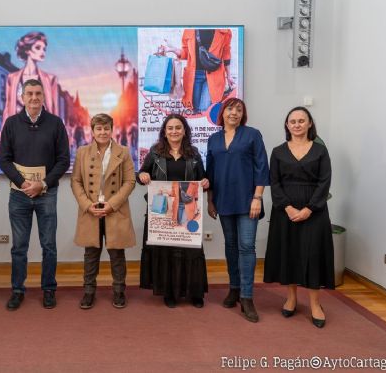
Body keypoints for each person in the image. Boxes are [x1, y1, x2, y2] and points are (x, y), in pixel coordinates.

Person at [0, 79, 70, 310]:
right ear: (22, 96)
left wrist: (44, 184)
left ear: (44, 96)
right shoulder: (11, 123)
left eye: (38, 93)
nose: (34, 97)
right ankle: (17, 290)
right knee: (19, 246)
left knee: (48, 244)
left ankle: (49, 289)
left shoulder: (55, 123)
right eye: (29, 93)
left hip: (47, 194)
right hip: (18, 195)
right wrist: (22, 182)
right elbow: (4, 160)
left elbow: (63, 161)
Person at [263, 107, 334, 328]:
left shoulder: (321, 151)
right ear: (287, 125)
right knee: (289, 253)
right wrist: (288, 208)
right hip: (285, 212)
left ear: (310, 124)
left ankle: (315, 304)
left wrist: (309, 209)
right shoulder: (277, 151)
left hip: (315, 213)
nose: (297, 124)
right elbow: (274, 183)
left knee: (313, 255)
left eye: (301, 121)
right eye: (292, 121)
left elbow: (325, 182)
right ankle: (291, 298)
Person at [206, 98, 269, 322]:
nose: (234, 113)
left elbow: (262, 167)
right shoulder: (213, 139)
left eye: (239, 109)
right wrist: (210, 201)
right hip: (223, 201)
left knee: (246, 246)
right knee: (231, 245)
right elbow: (210, 173)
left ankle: (247, 296)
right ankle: (234, 288)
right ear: (222, 113)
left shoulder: (252, 134)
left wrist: (257, 197)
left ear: (243, 114)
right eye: (230, 109)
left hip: (248, 200)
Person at [137, 114, 210, 308]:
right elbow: (142, 174)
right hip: (162, 210)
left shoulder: (193, 153)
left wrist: (206, 182)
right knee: (166, 250)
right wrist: (143, 175)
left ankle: (195, 293)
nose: (174, 131)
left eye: (178, 127)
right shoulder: (155, 153)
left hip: (188, 208)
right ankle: (169, 292)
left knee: (191, 250)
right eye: (170, 128)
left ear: (184, 130)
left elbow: (203, 179)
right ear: (164, 132)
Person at [71, 114, 136, 309]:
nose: (103, 132)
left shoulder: (123, 152)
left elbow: (129, 181)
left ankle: (118, 291)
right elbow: (76, 181)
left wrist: (113, 203)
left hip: (114, 208)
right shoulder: (83, 152)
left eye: (106, 128)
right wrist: (86, 204)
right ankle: (89, 291)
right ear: (92, 131)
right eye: (98, 129)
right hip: (91, 209)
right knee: (91, 253)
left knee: (117, 253)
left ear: (112, 129)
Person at [161, 29, 236, 114]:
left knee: (205, 109)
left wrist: (229, 76)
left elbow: (226, 54)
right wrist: (172, 49)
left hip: (214, 76)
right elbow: (185, 53)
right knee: (194, 109)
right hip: (194, 76)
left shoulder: (224, 31)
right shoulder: (189, 30)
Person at [1, 31, 60, 128]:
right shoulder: (12, 78)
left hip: (43, 131)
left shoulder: (50, 79)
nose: (42, 52)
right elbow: (8, 109)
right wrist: (4, 133)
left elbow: (54, 110)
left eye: (44, 49)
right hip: (18, 131)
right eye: (38, 48)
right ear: (27, 50)